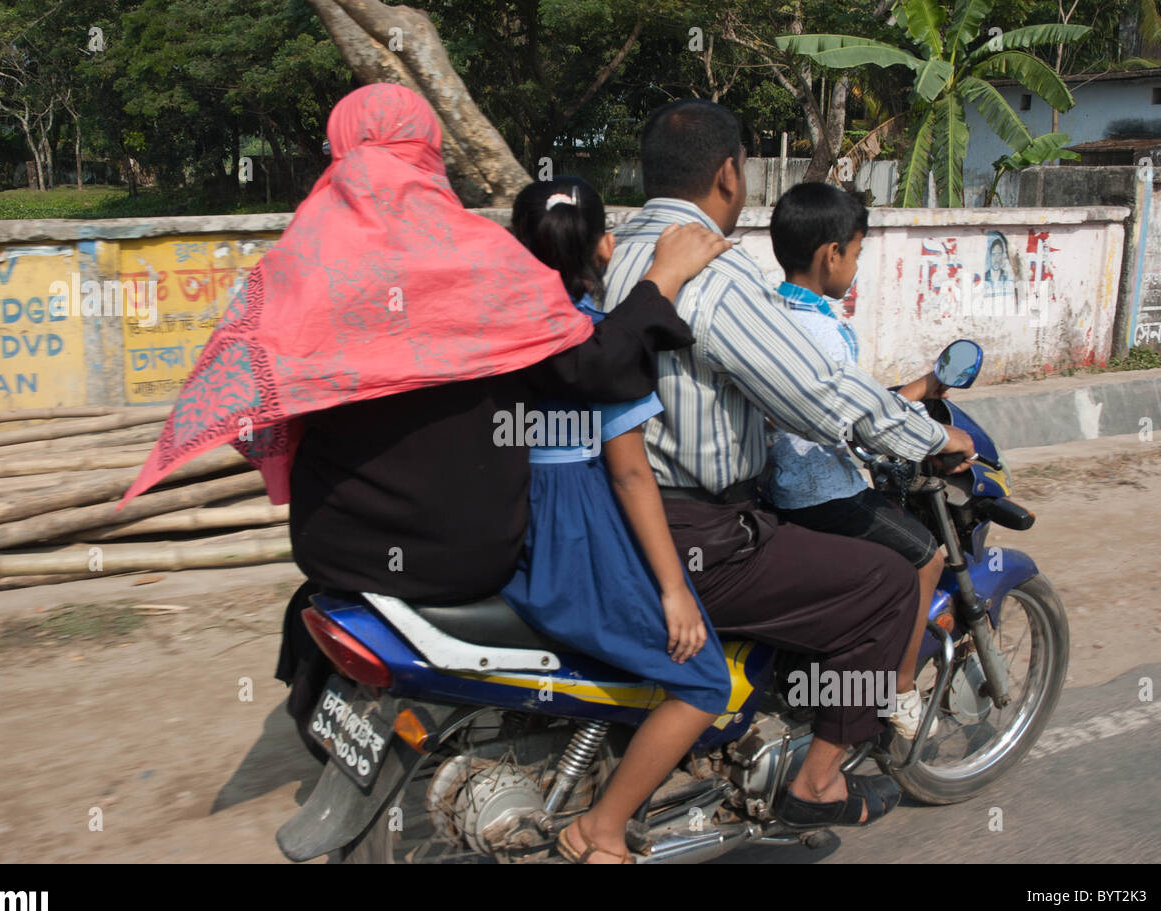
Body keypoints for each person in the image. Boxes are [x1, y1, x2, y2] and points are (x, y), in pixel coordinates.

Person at [116, 84, 728, 742]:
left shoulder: (295, 265)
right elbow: (596, 368)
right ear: (429, 151)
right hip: (463, 557)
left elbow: (248, 398)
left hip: (327, 550)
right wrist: (661, 280)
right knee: (695, 672)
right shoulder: (486, 261)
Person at [602, 99, 977, 830]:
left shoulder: (612, 256)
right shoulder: (711, 269)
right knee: (888, 583)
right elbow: (818, 394)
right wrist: (930, 439)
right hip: (702, 531)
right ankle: (818, 781)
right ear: (727, 175)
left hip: (619, 513)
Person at [498, 177, 733, 864]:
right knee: (704, 681)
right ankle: (600, 830)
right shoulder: (595, 343)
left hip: (510, 523)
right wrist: (673, 589)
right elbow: (631, 474)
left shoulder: (498, 327)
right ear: (603, 245)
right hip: (575, 528)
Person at [763, 182, 948, 739]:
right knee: (927, 558)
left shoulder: (773, 311)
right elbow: (856, 418)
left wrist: (918, 388)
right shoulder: (825, 331)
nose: (857, 267)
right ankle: (900, 687)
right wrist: (939, 440)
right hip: (820, 491)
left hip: (772, 485)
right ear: (832, 255)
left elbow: (851, 400)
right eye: (858, 253)